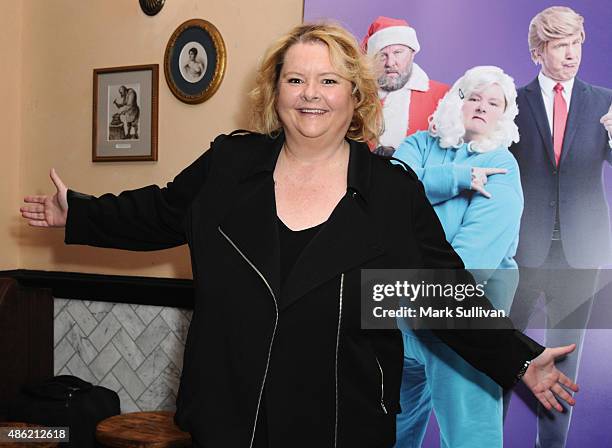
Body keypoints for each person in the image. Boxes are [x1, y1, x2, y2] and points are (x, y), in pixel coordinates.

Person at [21, 23, 578, 448]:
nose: (311, 94)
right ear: (276, 92)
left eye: (329, 80)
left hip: (342, 423)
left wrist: (520, 360)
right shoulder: (228, 164)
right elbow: (160, 212)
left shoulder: (392, 189)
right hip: (227, 419)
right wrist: (79, 213)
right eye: (296, 79)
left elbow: (441, 291)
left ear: (356, 96)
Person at [392, 66, 525, 448]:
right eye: (475, 97)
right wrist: (458, 177)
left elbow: (472, 255)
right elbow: (391, 198)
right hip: (394, 318)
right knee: (387, 431)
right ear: (457, 101)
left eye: (494, 102)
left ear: (503, 114)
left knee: (472, 438)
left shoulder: (503, 166)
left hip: (460, 318)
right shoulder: (418, 144)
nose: (483, 107)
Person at [504, 7, 612, 448]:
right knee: (501, 360)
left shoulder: (606, 102)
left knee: (563, 372)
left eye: (577, 44)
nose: (572, 54)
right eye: (560, 45)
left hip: (582, 255)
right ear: (537, 51)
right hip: (518, 253)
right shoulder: (509, 100)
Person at [361, 16, 449, 156]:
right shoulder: (358, 98)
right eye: (382, 55)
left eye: (397, 52)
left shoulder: (444, 96)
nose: (390, 63)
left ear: (412, 53)